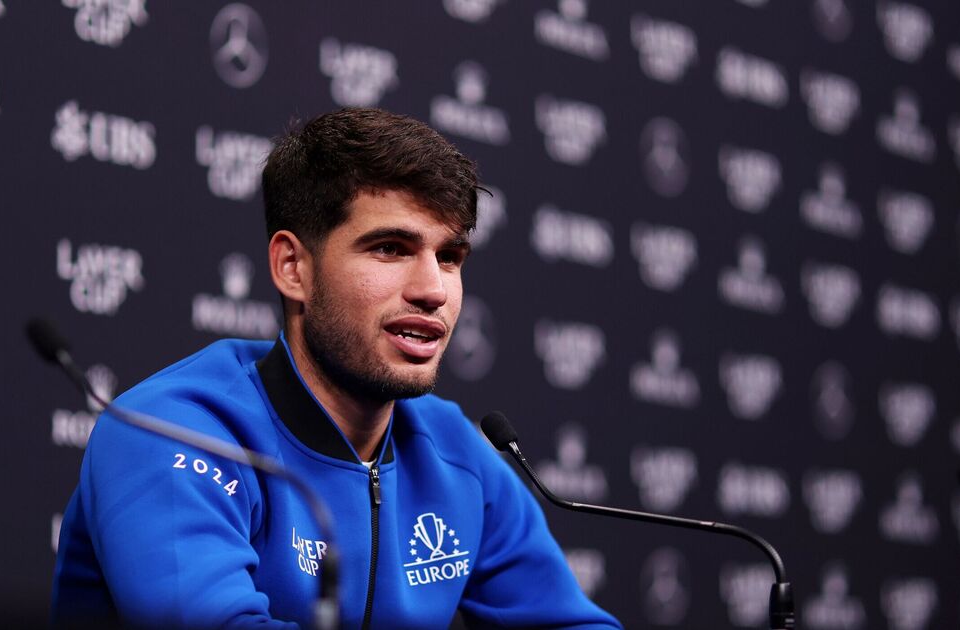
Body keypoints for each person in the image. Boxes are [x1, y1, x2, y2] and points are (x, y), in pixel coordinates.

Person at [52, 108, 621, 629]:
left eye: (449, 257)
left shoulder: (455, 453)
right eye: (391, 249)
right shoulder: (164, 432)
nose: (433, 291)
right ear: (293, 267)